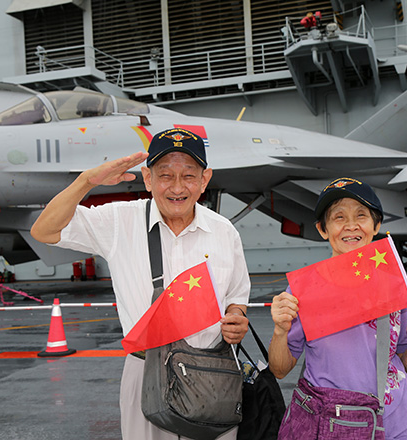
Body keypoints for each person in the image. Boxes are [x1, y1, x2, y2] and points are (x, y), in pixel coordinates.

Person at [30, 128, 250, 440]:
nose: (177, 187)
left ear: (204, 179)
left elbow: (237, 296)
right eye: (165, 175)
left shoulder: (224, 231)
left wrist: (237, 318)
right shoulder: (119, 222)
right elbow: (44, 231)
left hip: (211, 372)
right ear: (147, 178)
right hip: (146, 373)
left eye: (188, 176)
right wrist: (86, 182)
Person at [268, 177, 407, 440]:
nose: (351, 225)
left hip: (398, 425)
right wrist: (280, 330)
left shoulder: (394, 283)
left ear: (376, 225)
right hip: (329, 425)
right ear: (323, 229)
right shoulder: (304, 290)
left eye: (361, 215)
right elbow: (279, 369)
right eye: (339, 217)